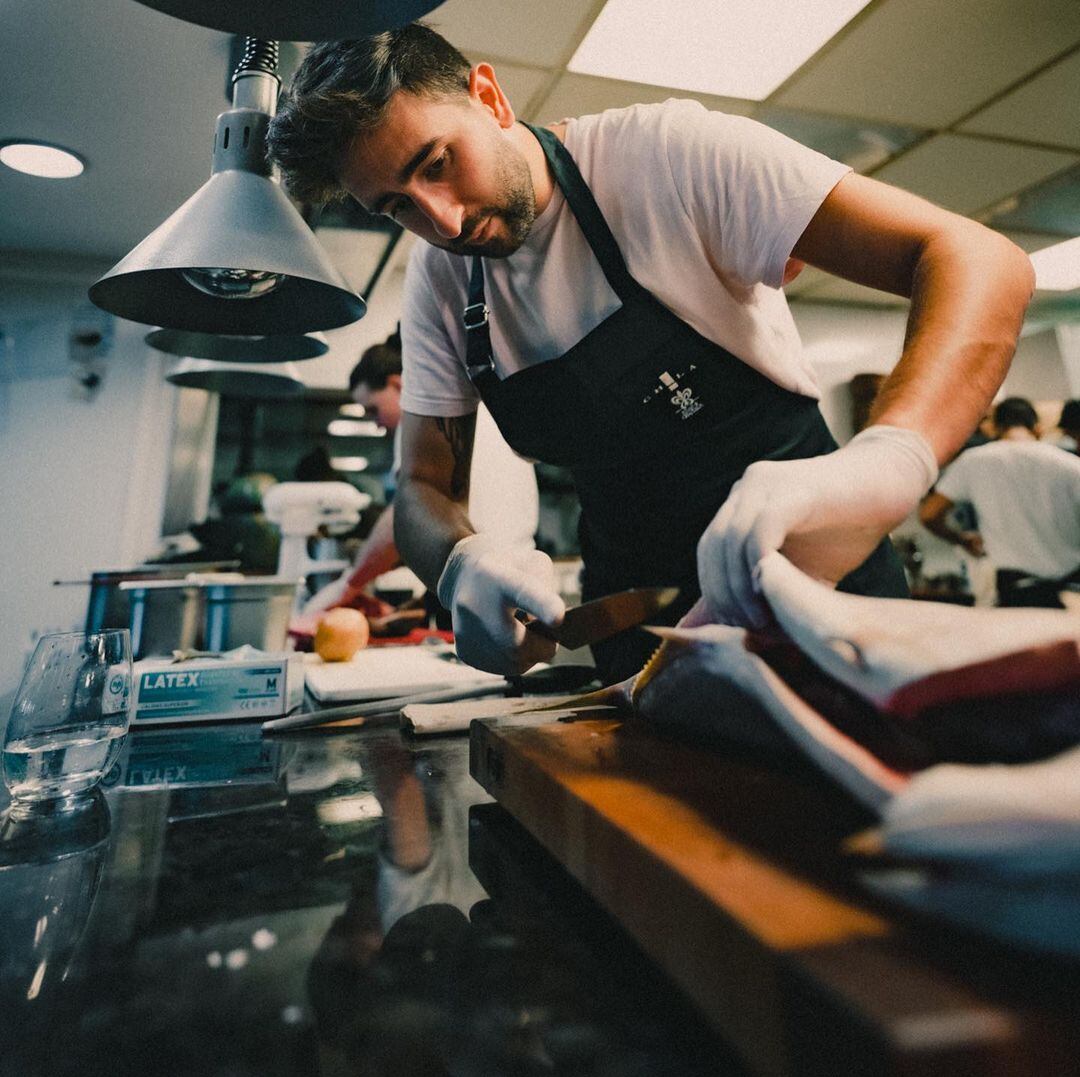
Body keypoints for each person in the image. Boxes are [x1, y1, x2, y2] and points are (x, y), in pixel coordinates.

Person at [268, 24, 1034, 682]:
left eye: (436, 164)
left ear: (491, 98)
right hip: (638, 633)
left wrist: (889, 458)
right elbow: (423, 489)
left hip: (822, 591)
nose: (441, 218)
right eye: (396, 206)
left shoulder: (664, 156)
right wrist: (459, 561)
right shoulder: (442, 283)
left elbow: (977, 259)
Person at [301, 327, 539, 621]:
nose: (376, 424)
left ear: (398, 385)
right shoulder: (484, 411)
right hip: (523, 584)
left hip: (484, 591)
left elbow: (401, 517)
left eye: (373, 409)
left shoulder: (420, 423)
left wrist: (348, 585)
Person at [919, 397, 1080, 607]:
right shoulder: (1069, 463)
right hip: (1073, 590)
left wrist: (962, 540)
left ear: (994, 428)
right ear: (1037, 428)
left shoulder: (974, 461)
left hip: (1017, 592)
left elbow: (929, 514)